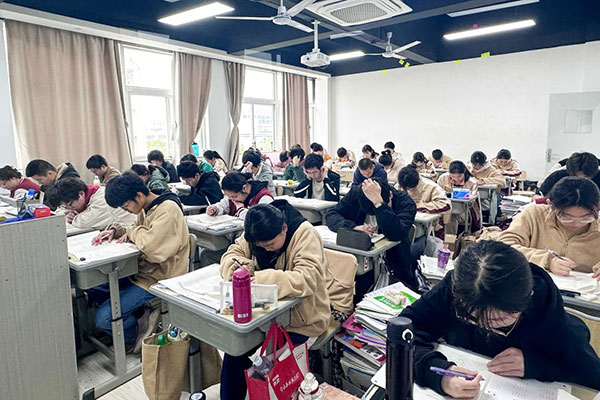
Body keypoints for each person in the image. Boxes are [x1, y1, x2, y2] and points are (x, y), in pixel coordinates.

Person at [401, 240, 600, 398]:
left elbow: (591, 374)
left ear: (528, 298)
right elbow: (403, 332)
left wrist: (535, 364)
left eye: (499, 321)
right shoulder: (459, 288)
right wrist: (439, 375)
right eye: (472, 318)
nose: (486, 328)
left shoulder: (545, 310)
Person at [220, 202, 330, 400]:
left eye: (270, 244)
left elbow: (308, 278)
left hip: (301, 320)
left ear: (284, 228)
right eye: (260, 246)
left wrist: (262, 280)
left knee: (269, 362)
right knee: (235, 350)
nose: (266, 249)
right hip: (263, 316)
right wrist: (239, 268)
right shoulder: (256, 230)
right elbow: (232, 254)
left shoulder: (304, 234)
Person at [92, 173, 190, 352]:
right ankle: (137, 314)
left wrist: (132, 232)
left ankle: (135, 332)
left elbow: (152, 248)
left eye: (126, 206)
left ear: (138, 195)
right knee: (94, 290)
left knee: (103, 318)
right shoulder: (147, 208)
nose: (126, 210)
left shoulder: (167, 210)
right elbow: (137, 230)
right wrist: (117, 230)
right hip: (142, 273)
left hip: (160, 278)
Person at [326, 177, 417, 292]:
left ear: (390, 196)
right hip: (359, 259)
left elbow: (396, 234)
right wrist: (354, 227)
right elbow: (332, 215)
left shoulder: (405, 202)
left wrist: (380, 205)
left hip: (393, 263)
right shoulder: (357, 193)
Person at [499, 177, 600, 278]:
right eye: (567, 217)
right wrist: (546, 260)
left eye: (586, 218)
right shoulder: (534, 215)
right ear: (550, 205)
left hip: (585, 286)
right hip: (534, 282)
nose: (576, 224)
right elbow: (503, 247)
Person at [46, 177, 136, 230]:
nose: (69, 209)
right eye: (65, 207)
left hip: (130, 234)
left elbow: (83, 223)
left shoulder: (102, 199)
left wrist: (73, 218)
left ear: (81, 194)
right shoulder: (83, 194)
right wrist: (66, 215)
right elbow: (59, 210)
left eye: (70, 205)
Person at [397, 166, 450, 238]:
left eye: (411, 189)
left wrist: (419, 206)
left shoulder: (431, 186)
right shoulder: (399, 185)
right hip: (405, 220)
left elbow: (445, 204)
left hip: (426, 224)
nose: (408, 191)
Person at [438, 161, 481, 234]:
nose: (456, 179)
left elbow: (471, 203)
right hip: (445, 207)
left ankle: (450, 239)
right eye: (453, 176)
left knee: (452, 215)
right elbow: (437, 194)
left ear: (464, 172)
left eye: (459, 176)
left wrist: (466, 196)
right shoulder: (443, 178)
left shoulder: (472, 182)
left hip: (465, 210)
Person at [206, 172, 273, 219]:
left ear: (244, 188)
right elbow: (223, 205)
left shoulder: (264, 197)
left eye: (234, 196)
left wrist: (240, 210)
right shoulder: (233, 195)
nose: (232, 200)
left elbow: (259, 220)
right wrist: (216, 208)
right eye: (230, 197)